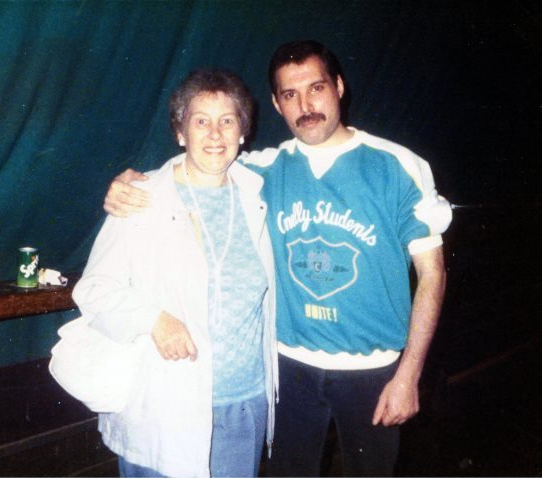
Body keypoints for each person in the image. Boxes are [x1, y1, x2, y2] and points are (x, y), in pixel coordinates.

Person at [103, 40, 451, 477]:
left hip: (374, 369)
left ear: (339, 86)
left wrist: (409, 375)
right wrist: (135, 183)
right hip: (289, 369)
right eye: (290, 94)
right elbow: (203, 156)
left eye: (316, 88)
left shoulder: (398, 166)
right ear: (275, 103)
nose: (305, 105)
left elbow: (432, 275)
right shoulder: (262, 170)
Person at [73, 69, 278, 478]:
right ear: (181, 132)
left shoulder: (259, 192)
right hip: (167, 406)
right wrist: (154, 320)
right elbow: (92, 290)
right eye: (201, 121)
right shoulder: (142, 197)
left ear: (243, 132)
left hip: (242, 405)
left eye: (228, 120)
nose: (215, 134)